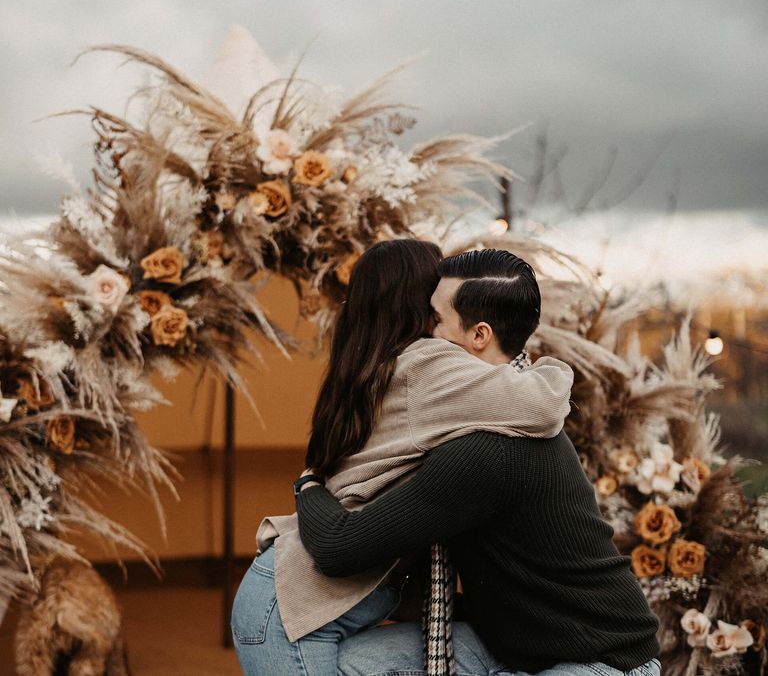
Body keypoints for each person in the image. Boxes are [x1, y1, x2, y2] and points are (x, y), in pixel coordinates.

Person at [293, 251, 661, 676]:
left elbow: (339, 548)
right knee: (357, 664)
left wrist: (309, 485)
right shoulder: (500, 408)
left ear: (479, 335)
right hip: (517, 644)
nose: (421, 335)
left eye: (434, 319)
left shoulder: (488, 448)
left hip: (601, 660)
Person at [230, 241, 574, 675]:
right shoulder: (426, 365)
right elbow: (543, 406)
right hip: (291, 614)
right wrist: (546, 366)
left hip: (284, 598)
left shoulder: (369, 368)